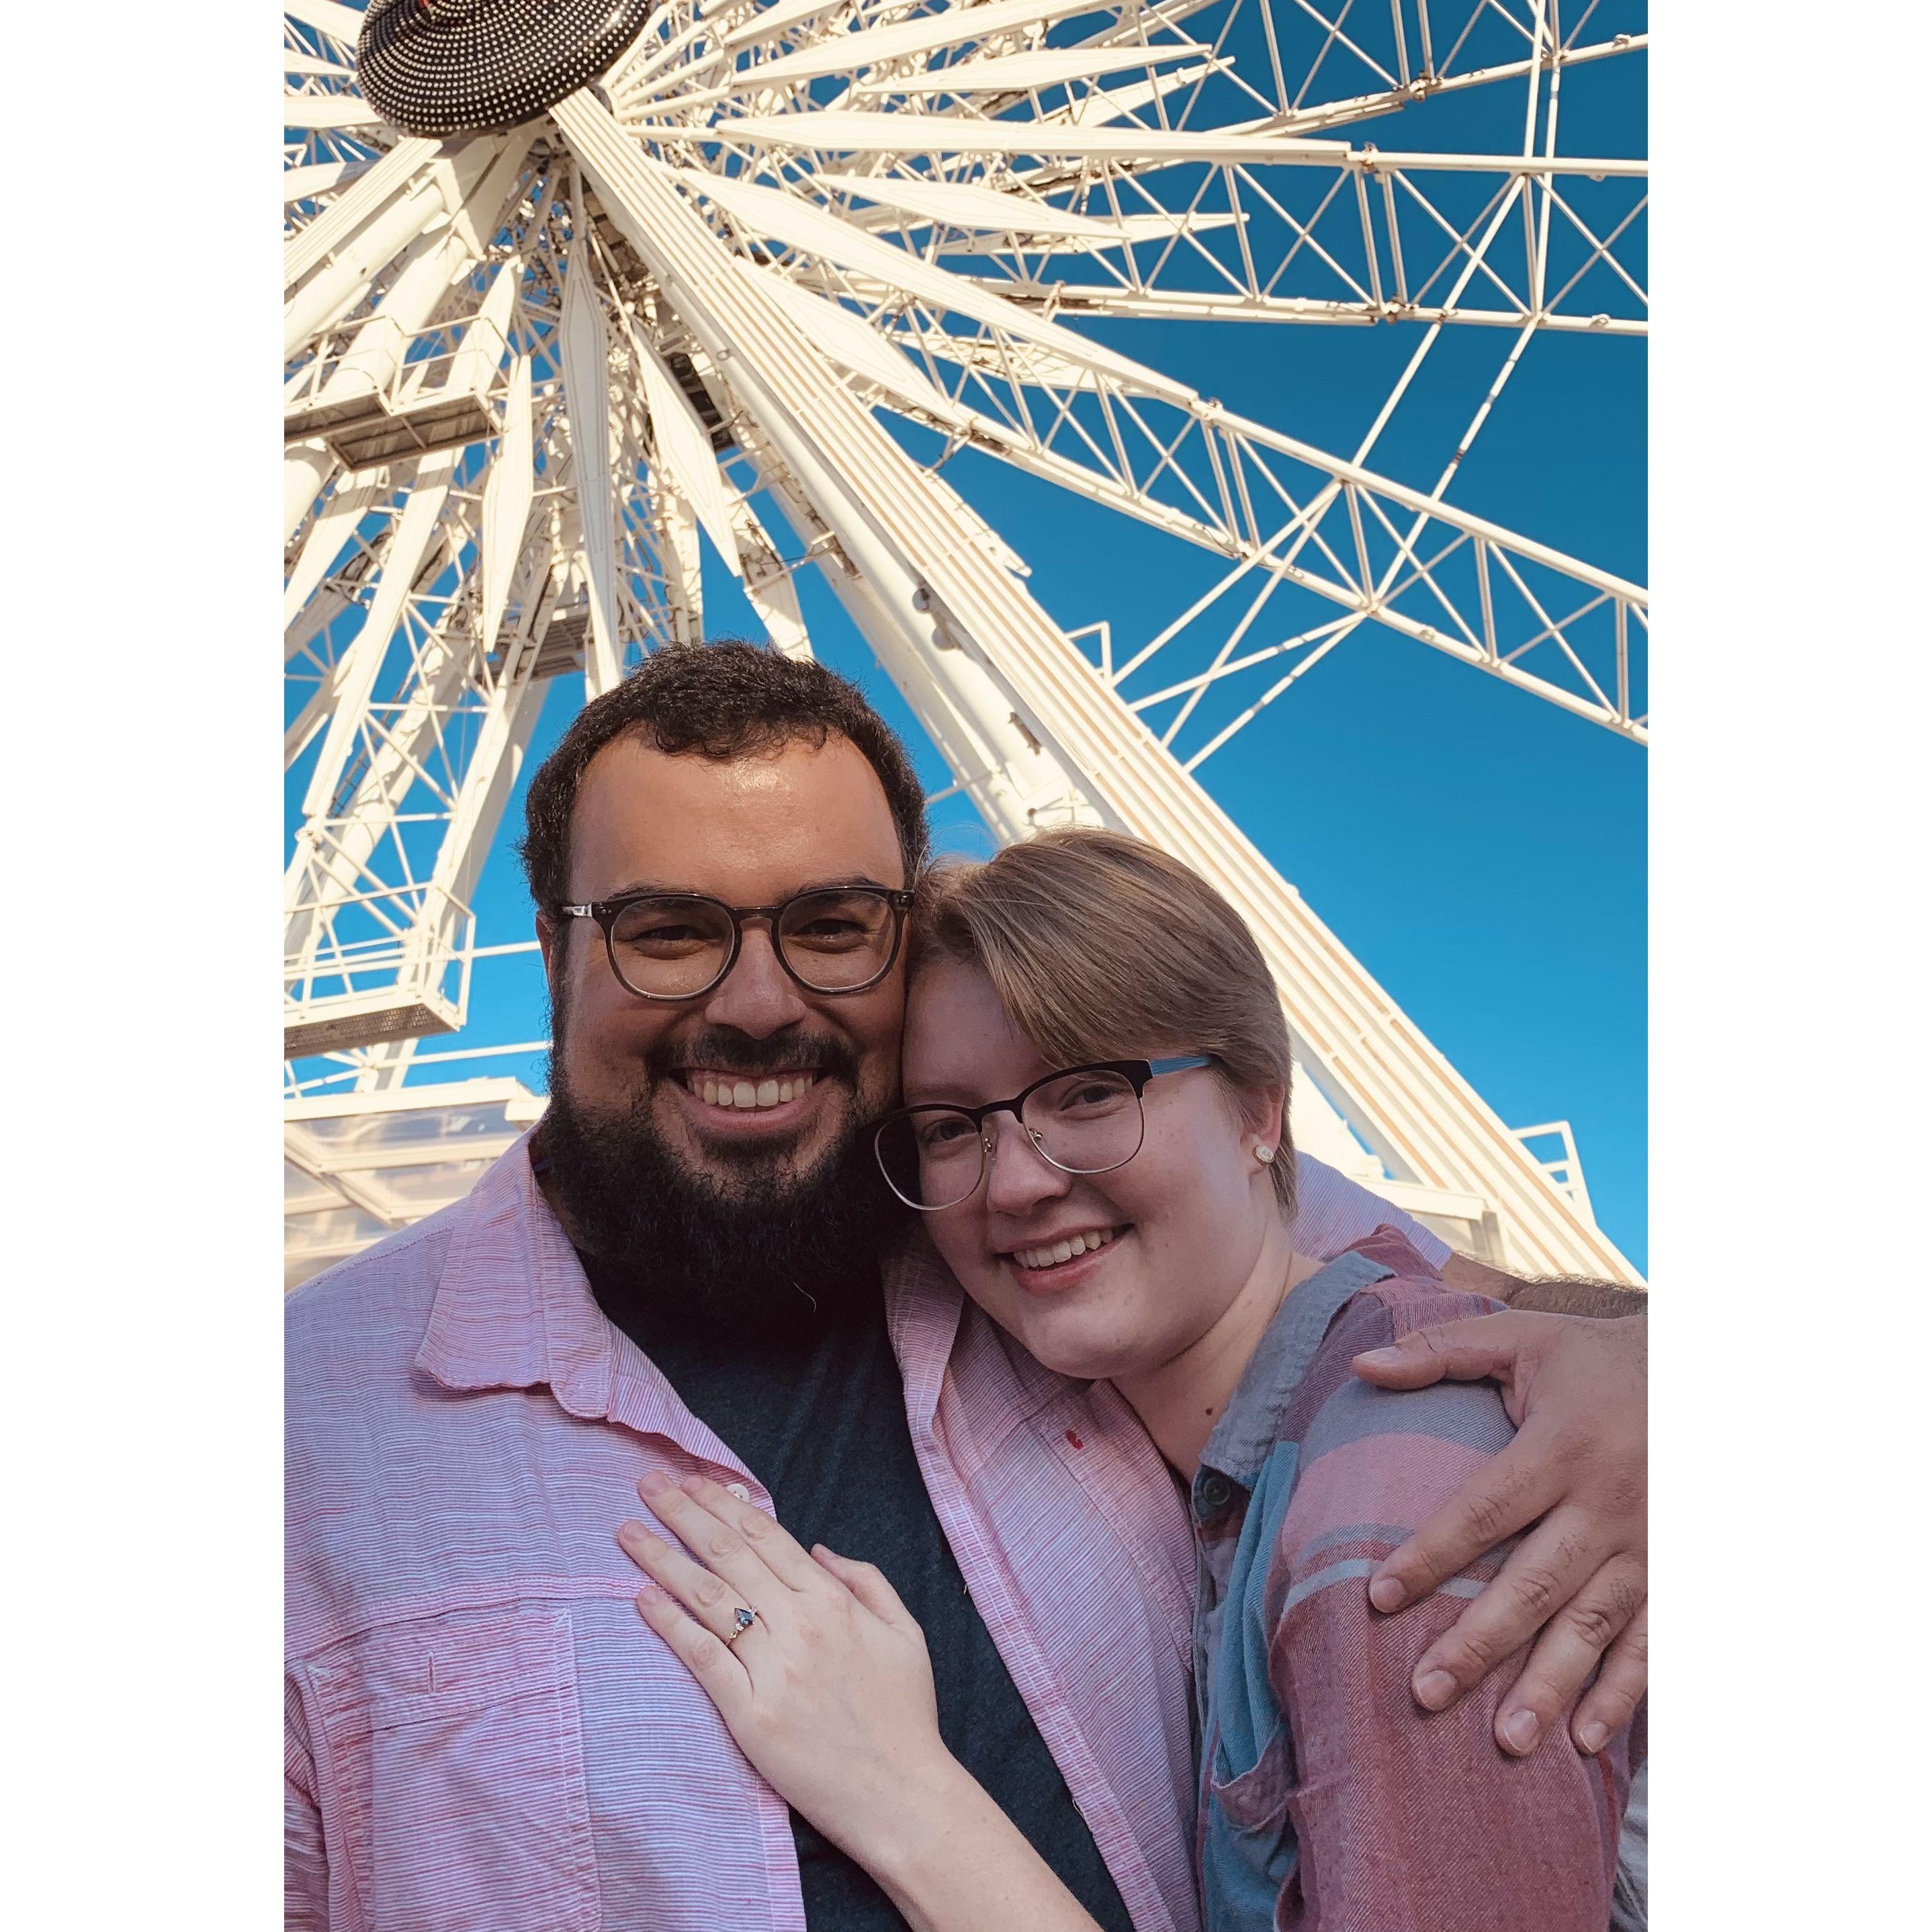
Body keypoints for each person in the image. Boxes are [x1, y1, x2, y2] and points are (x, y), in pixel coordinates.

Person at [285, 643, 1647, 1931]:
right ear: (555, 950)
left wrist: (1646, 1375)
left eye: (830, 924)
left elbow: (1424, 1297)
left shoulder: (1057, 1248)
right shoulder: (300, 1421)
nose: (756, 1001)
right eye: (666, 928)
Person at [617, 828, 1645, 1931]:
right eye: (951, 1128)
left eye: (1090, 1093)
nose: (1013, 1183)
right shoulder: (1265, 1455)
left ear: (1260, 1109)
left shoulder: (1395, 1502)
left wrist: (896, 1794)